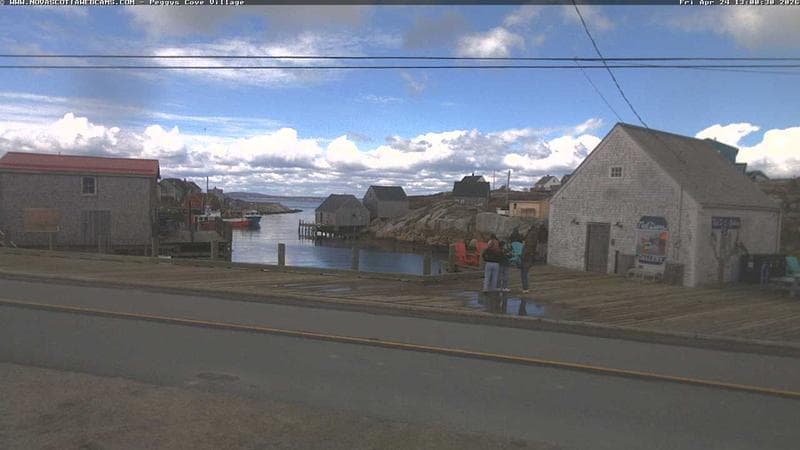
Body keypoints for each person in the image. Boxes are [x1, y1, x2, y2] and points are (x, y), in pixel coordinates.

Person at [520, 227, 539, 293]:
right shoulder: (533, 245)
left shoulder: (526, 247)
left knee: (524, 275)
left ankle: (525, 288)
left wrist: (521, 257)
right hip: (530, 259)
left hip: (526, 260)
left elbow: (523, 254)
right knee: (525, 274)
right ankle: (526, 288)